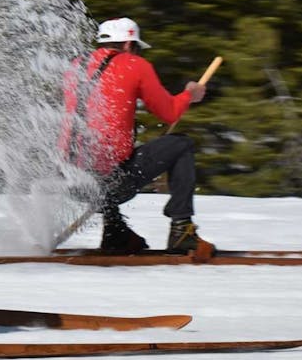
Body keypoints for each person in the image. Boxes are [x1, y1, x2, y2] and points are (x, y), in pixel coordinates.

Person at [60, 17, 214, 254]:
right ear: (130, 45)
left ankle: (116, 232)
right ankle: (182, 229)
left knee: (103, 156)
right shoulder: (134, 64)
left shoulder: (76, 65)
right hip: (112, 184)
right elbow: (169, 113)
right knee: (181, 144)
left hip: (72, 182)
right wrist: (188, 96)